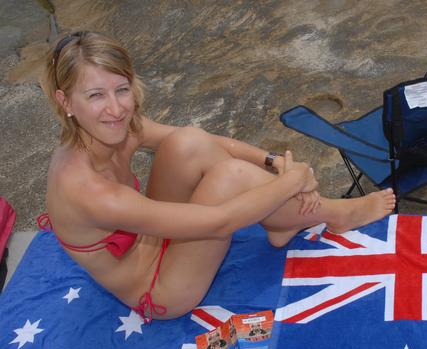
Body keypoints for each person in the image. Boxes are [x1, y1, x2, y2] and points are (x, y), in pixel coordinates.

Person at [39, 31, 395, 323]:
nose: (115, 108)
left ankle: (282, 221)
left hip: (153, 236)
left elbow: (211, 142)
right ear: (66, 101)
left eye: (121, 89)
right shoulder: (88, 190)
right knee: (232, 177)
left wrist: (274, 162)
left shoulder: (116, 129)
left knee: (187, 142)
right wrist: (293, 181)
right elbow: (219, 221)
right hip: (159, 288)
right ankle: (334, 213)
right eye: (96, 95)